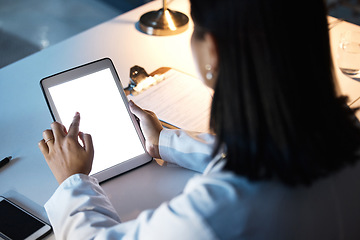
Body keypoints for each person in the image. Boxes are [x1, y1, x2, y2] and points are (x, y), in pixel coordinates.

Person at [39, 0, 360, 239]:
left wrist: (73, 182)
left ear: (213, 50)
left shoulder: (221, 210)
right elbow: (262, 151)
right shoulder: (344, 136)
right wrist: (163, 140)